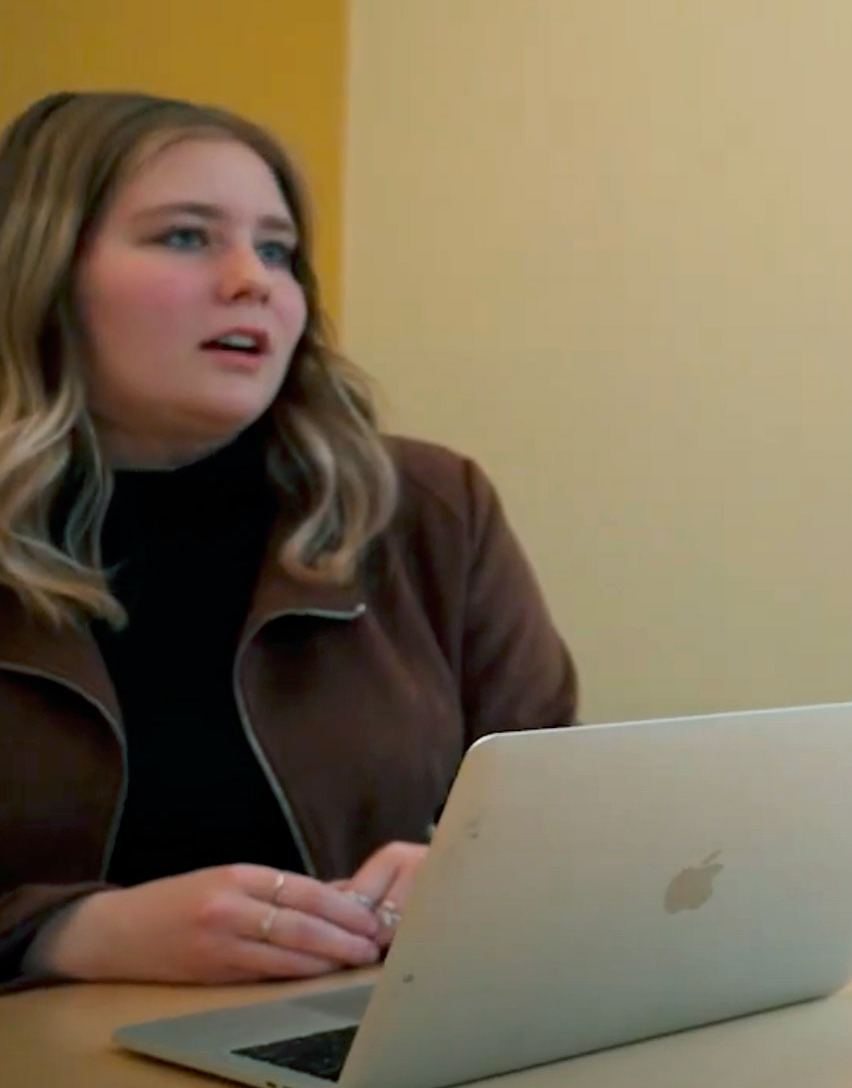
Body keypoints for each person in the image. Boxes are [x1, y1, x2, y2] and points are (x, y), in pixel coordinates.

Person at [1, 92, 577, 987]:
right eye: (186, 237)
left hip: (361, 1052)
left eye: (277, 250)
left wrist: (479, 880)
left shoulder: (425, 507)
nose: (253, 281)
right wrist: (64, 933)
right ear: (39, 273)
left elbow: (565, 814)